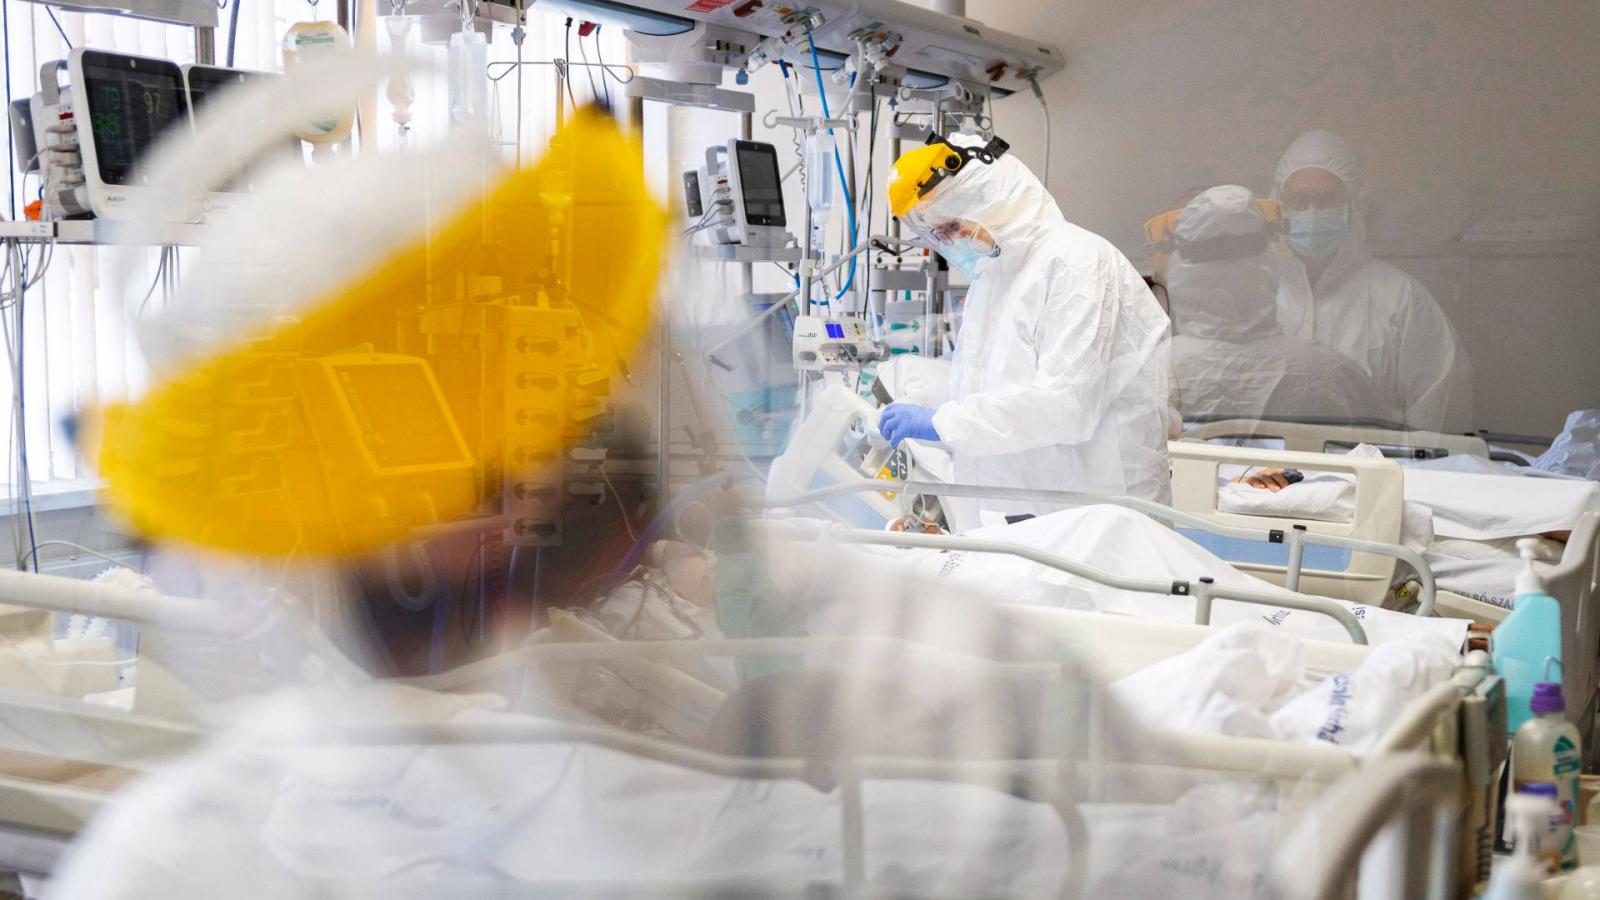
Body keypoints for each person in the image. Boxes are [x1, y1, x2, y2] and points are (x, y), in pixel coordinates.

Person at [878, 132, 1172, 529]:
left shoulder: (1077, 262)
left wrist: (943, 423)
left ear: (992, 199)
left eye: (954, 224)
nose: (952, 240)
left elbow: (1065, 405)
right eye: (939, 234)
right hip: (1022, 513)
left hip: (1094, 515)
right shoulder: (993, 280)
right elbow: (989, 388)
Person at [1272, 129, 1474, 433]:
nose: (1311, 212)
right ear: (1279, 204)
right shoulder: (1254, 294)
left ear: (1352, 205)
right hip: (1267, 463)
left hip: (1373, 462)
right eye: (1299, 200)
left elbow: (1438, 411)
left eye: (1327, 200)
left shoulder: (1401, 299)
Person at [1164, 185, 1389, 423]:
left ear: (1181, 272)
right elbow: (1382, 441)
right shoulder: (1336, 375)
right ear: (1267, 267)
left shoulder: (1152, 372)